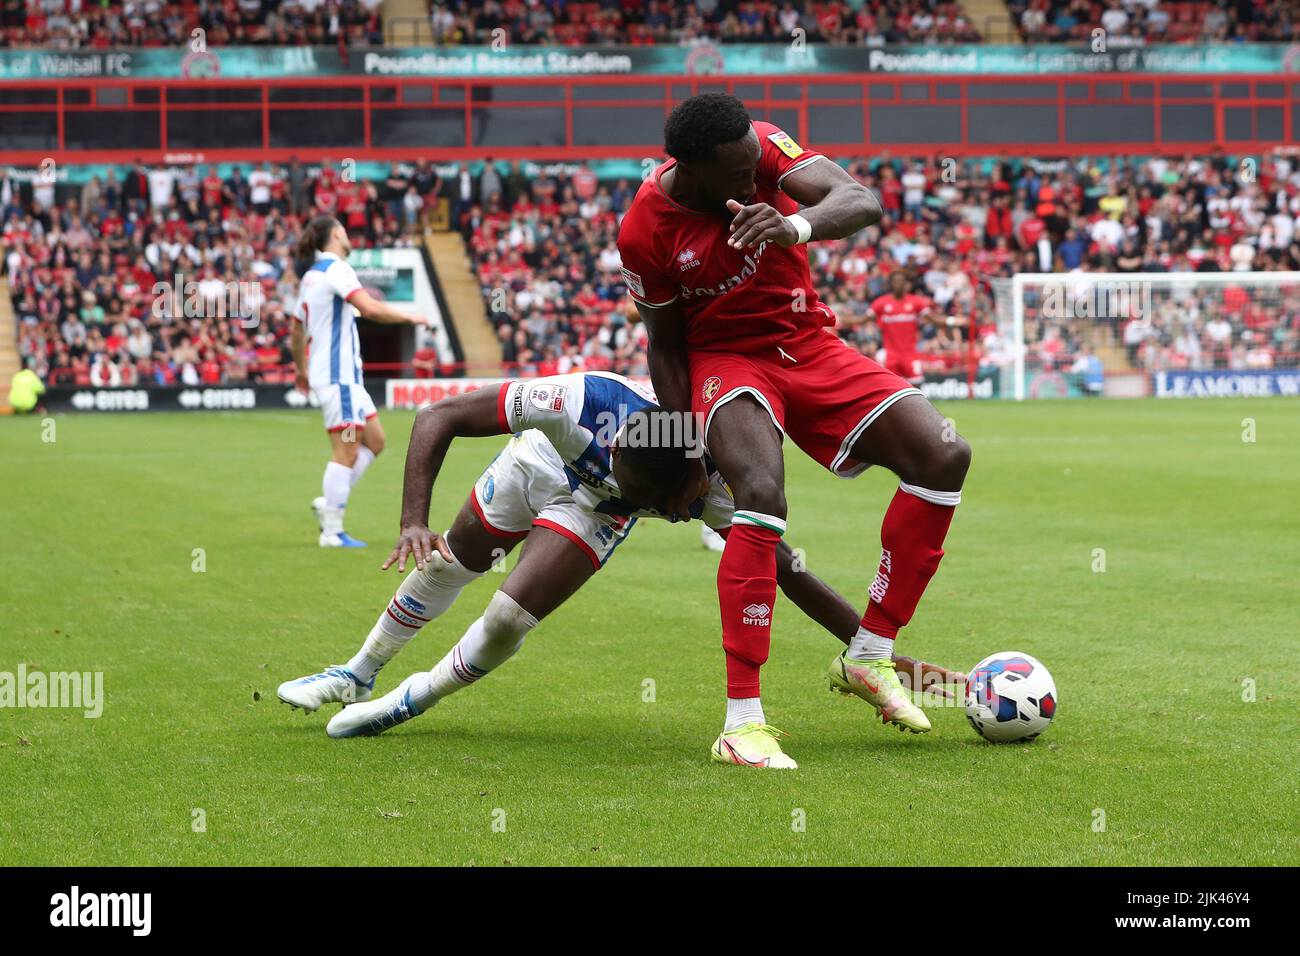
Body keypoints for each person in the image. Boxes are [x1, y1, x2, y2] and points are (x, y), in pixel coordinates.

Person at [277, 372, 964, 763]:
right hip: (540, 466)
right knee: (451, 563)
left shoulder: (718, 483)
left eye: (661, 506)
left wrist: (886, 659)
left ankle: (408, 699)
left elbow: (789, 574)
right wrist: (410, 520)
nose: (661, 514)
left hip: (590, 507)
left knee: (509, 616)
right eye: (645, 499)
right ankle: (354, 672)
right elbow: (437, 416)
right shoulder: (571, 403)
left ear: (690, 484)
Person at [616, 94, 971, 768]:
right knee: (760, 492)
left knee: (942, 453)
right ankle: (741, 723)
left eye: (758, 167)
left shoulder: (763, 146)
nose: (755, 182)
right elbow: (664, 347)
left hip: (807, 342)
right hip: (725, 360)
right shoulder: (644, 230)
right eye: (737, 175)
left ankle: (869, 655)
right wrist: (690, 444)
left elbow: (858, 200)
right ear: (687, 169)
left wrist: (795, 227)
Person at [291, 215, 431, 548]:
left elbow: (297, 330)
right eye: (345, 231)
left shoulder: (311, 277)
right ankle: (332, 531)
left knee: (376, 440)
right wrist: (411, 316)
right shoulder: (337, 269)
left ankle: (330, 504)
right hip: (339, 378)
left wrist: (301, 369)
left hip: (344, 379)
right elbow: (367, 308)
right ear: (336, 234)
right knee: (347, 451)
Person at [868, 269, 933, 385]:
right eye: (895, 281)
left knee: (916, 386)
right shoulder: (881, 303)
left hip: (910, 353)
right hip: (891, 355)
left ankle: (916, 404)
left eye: (901, 281)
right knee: (890, 387)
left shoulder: (916, 302)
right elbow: (864, 319)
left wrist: (951, 320)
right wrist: (842, 319)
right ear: (891, 284)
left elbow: (932, 319)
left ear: (906, 284)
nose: (898, 284)